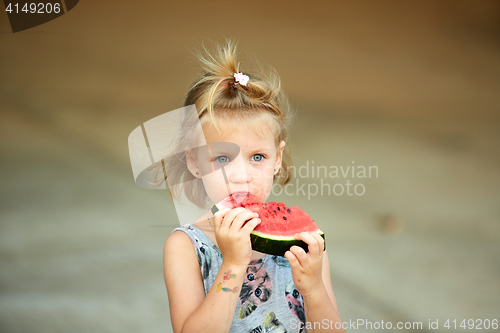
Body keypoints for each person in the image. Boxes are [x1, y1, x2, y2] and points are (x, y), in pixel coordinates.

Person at [162, 40, 344, 333]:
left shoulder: (304, 242)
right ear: (194, 162)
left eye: (257, 157)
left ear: (278, 158)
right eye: (222, 158)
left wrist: (313, 290)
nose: (241, 175)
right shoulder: (186, 247)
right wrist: (232, 265)